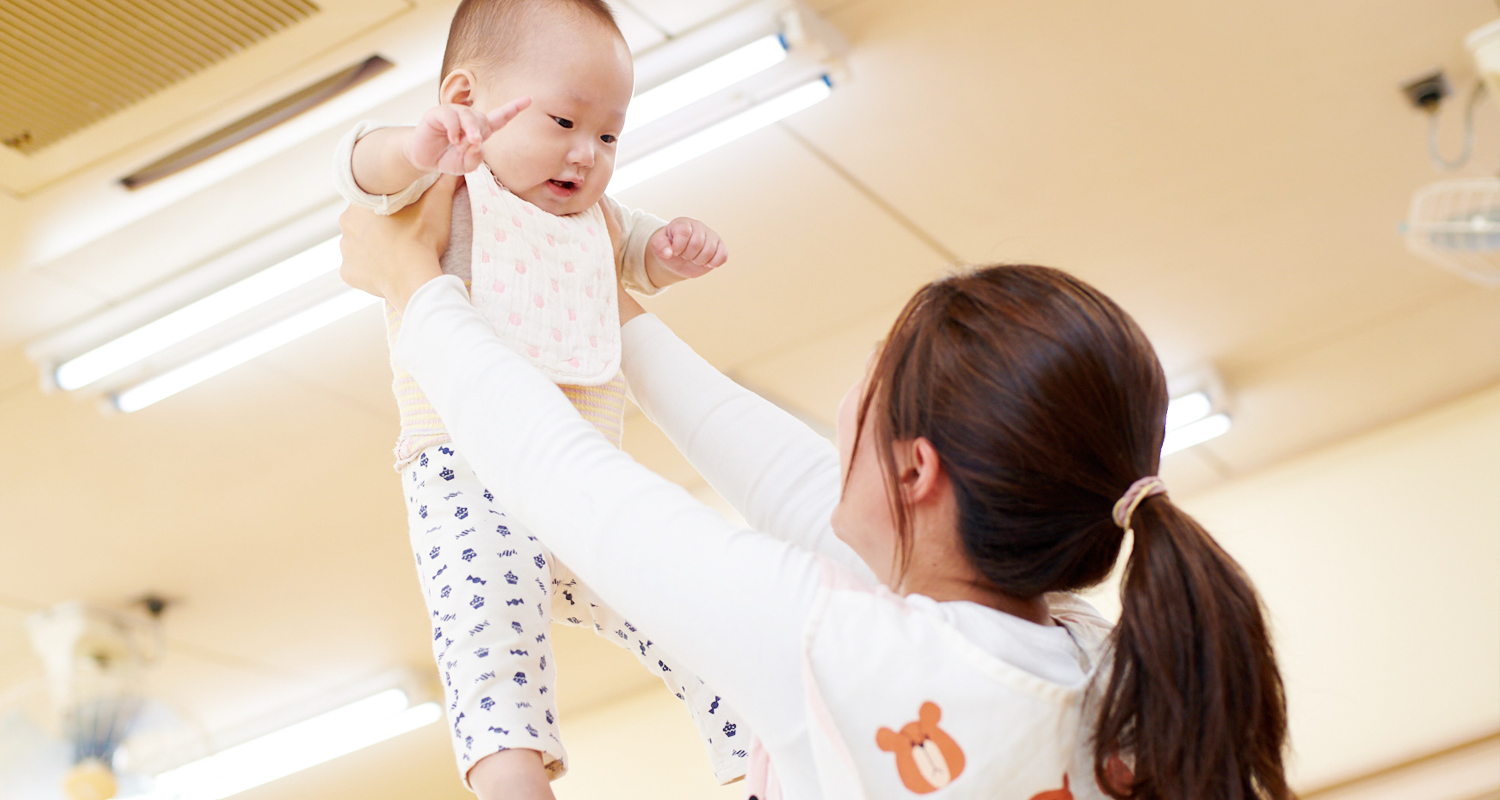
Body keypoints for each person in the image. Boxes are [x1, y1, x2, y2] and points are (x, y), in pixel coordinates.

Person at [338, 175, 1291, 800]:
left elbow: (573, 485)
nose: (837, 414)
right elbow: (784, 475)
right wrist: (596, 302)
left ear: (916, 470)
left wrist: (413, 290)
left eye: (864, 386)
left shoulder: (849, 652)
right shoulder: (1101, 667)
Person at [330, 1, 738, 797]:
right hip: (466, 470)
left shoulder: (597, 219)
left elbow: (638, 254)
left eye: (610, 136)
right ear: (465, 99)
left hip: (583, 483)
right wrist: (417, 145)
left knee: (692, 618)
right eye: (563, 121)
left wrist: (668, 248)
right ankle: (515, 784)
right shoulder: (447, 184)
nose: (586, 154)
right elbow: (360, 171)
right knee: (493, 647)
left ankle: (760, 752)